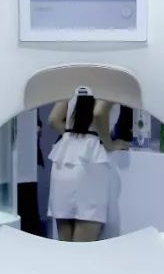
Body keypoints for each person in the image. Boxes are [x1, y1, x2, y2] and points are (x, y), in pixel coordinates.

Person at [46, 87, 127, 242]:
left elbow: (53, 119)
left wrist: (73, 137)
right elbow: (99, 112)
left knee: (65, 246)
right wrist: (109, 144)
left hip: (64, 158)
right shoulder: (110, 83)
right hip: (90, 161)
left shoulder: (74, 83)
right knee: (83, 248)